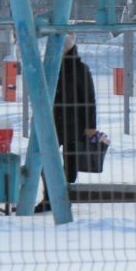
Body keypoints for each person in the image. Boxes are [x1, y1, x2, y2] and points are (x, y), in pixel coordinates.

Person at [52, 34, 97, 186]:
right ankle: (51, 196)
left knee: (70, 164)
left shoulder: (80, 69)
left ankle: (64, 195)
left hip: (74, 124)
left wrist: (91, 127)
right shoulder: (51, 67)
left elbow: (89, 100)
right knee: (45, 160)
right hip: (53, 122)